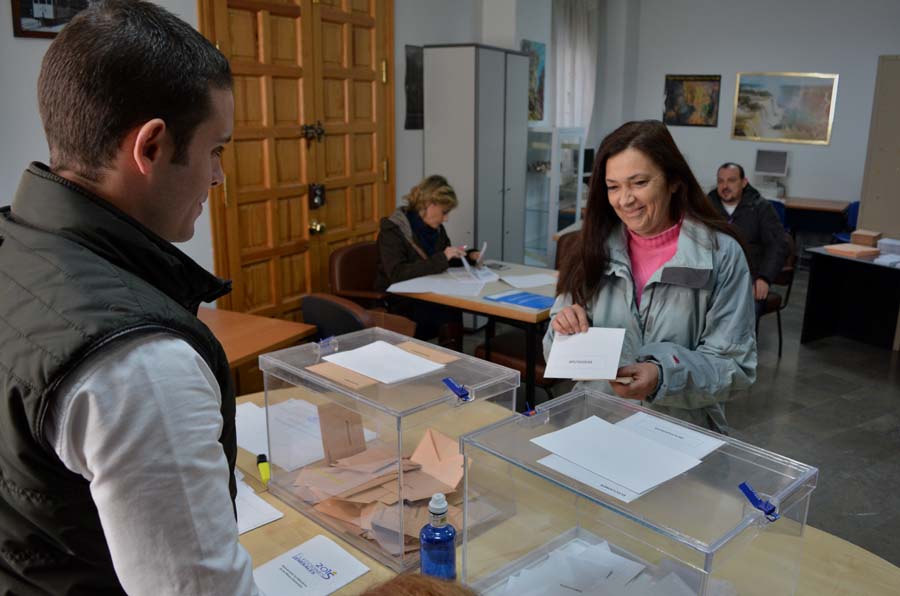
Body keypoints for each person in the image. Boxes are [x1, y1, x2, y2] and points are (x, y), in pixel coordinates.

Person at [0, 2, 258, 594]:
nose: (218, 178)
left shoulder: (14, 246)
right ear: (151, 147)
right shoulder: (141, 365)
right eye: (216, 150)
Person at [546, 121, 757, 433]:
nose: (625, 199)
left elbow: (735, 369)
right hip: (598, 423)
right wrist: (562, 329)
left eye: (639, 183)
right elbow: (553, 350)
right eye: (613, 187)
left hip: (678, 431)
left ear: (673, 181)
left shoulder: (721, 255)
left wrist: (663, 376)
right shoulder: (590, 249)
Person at [375, 175, 479, 350]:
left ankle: (452, 361)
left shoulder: (435, 229)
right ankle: (442, 361)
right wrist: (442, 258)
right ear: (430, 205)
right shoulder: (392, 230)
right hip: (400, 300)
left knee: (452, 308)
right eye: (444, 212)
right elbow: (397, 273)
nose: (446, 219)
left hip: (426, 293)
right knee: (447, 312)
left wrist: (468, 257)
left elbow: (442, 261)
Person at [708, 163, 789, 320]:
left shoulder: (761, 207)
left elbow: (777, 245)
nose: (725, 186)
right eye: (720, 181)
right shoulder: (707, 206)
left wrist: (764, 278)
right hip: (713, 275)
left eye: (731, 180)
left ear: (744, 182)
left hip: (748, 277)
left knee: (741, 318)